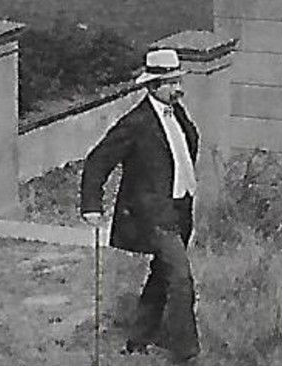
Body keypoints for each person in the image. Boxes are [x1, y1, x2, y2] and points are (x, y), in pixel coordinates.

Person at [79, 48, 201, 365]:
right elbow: (98, 160)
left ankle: (139, 340)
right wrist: (92, 204)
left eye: (178, 80)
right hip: (155, 214)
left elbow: (187, 146)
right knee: (181, 279)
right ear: (153, 86)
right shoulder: (136, 122)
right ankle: (187, 354)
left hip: (180, 208)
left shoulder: (178, 114)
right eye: (171, 83)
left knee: (162, 275)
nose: (178, 88)